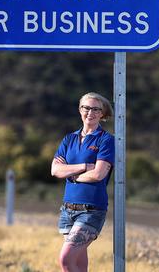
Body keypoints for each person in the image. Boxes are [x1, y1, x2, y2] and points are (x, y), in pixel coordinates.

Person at [51, 92, 115, 272]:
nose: (91, 112)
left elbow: (98, 174)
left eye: (96, 109)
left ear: (102, 114)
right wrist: (85, 166)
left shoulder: (106, 140)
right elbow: (55, 170)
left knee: (65, 260)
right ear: (80, 110)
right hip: (68, 209)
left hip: (91, 210)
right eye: (86, 108)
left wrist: (71, 174)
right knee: (79, 265)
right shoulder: (69, 139)